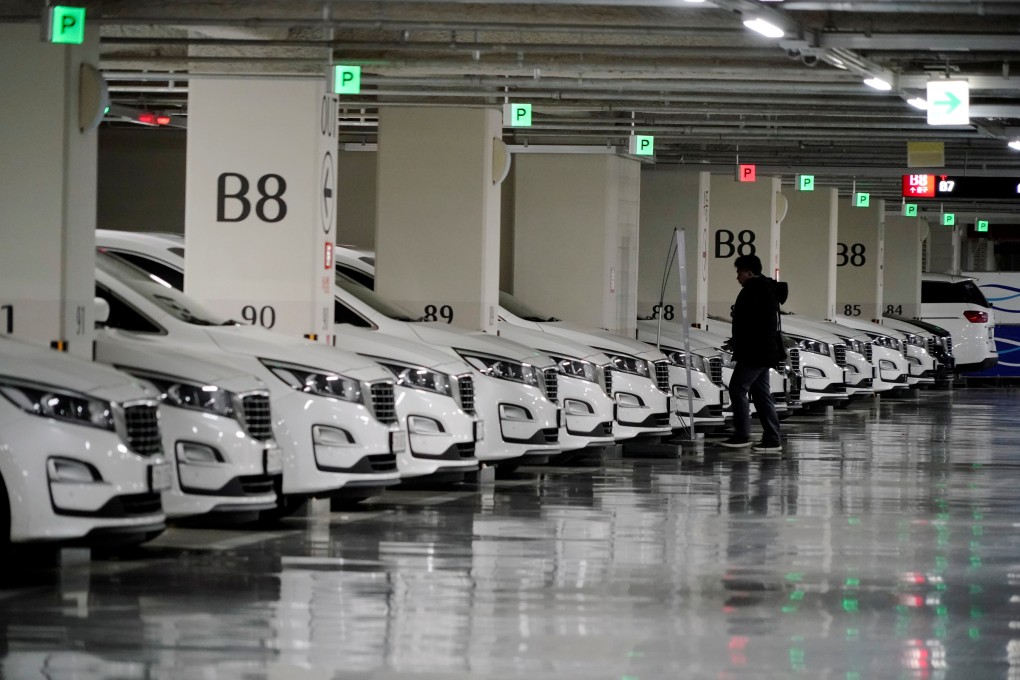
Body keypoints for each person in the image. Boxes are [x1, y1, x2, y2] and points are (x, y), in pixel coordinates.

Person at [720, 254, 786, 452]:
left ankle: (742, 435)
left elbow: (751, 325)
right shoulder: (766, 289)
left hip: (754, 352)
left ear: (748, 272)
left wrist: (737, 341)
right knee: (760, 392)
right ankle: (772, 439)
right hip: (762, 351)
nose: (737, 277)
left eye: (739, 273)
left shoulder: (754, 291)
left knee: (737, 388)